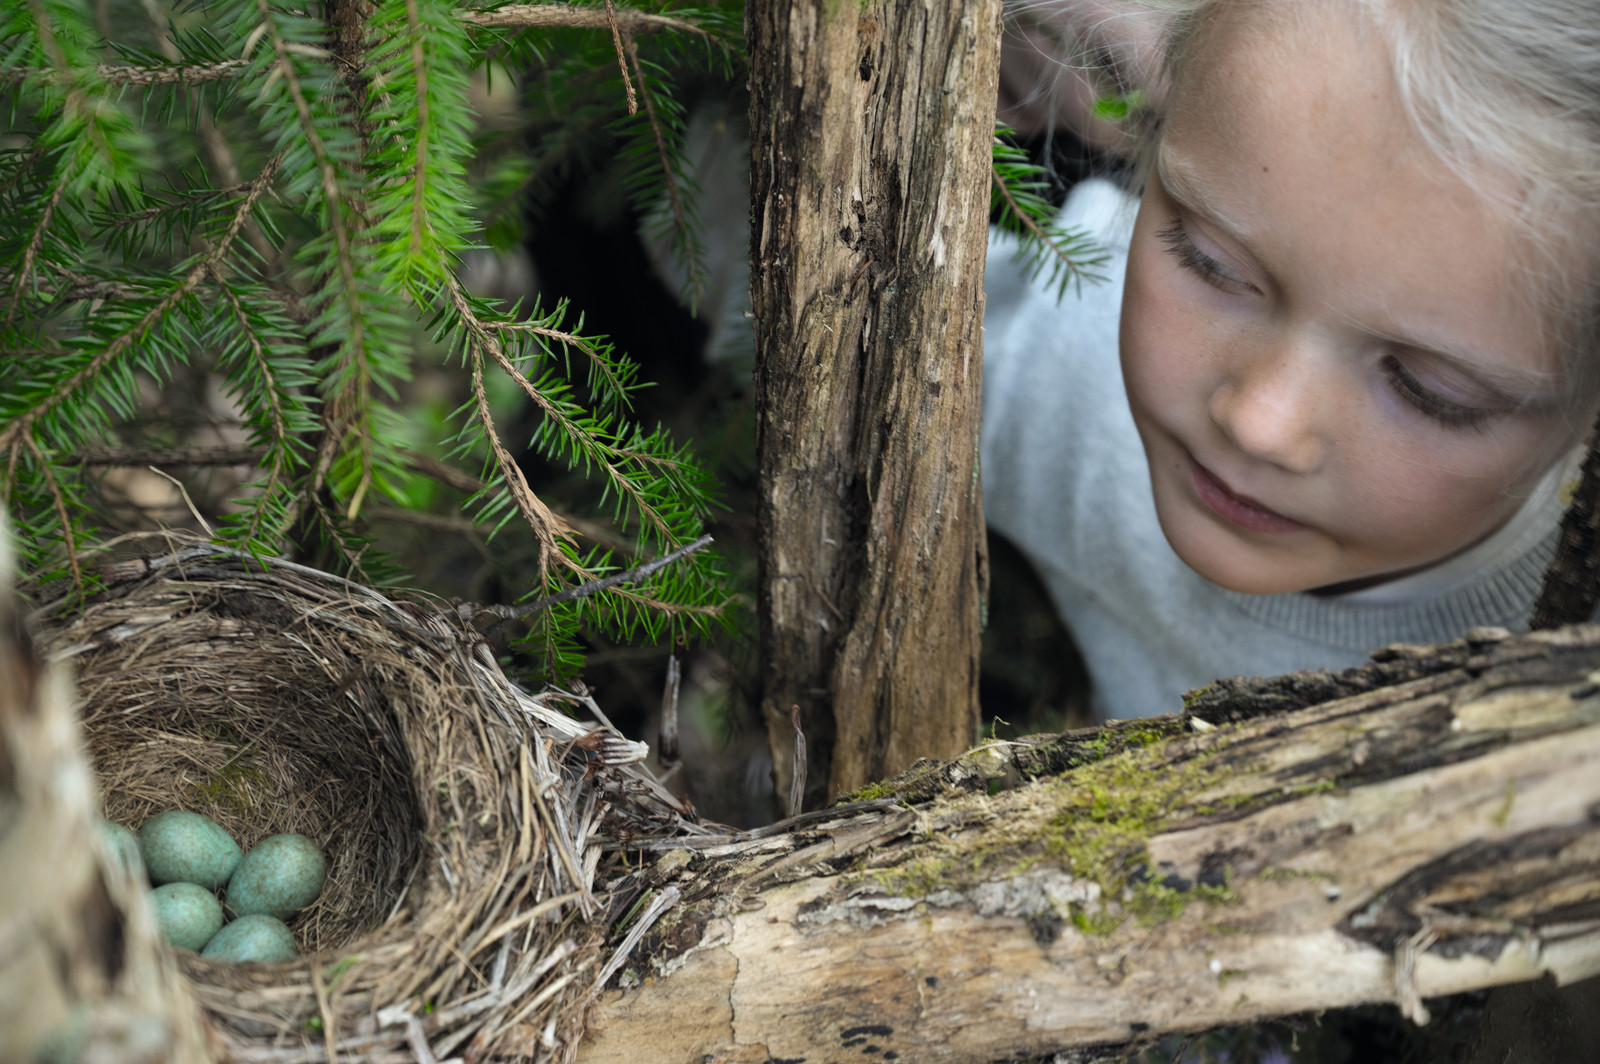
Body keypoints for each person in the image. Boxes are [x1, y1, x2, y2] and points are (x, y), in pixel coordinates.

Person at [982, 0, 1600, 721]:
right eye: (1211, 265)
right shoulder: (1063, 371)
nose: (1259, 424)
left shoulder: (1567, 633)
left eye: (1428, 389)